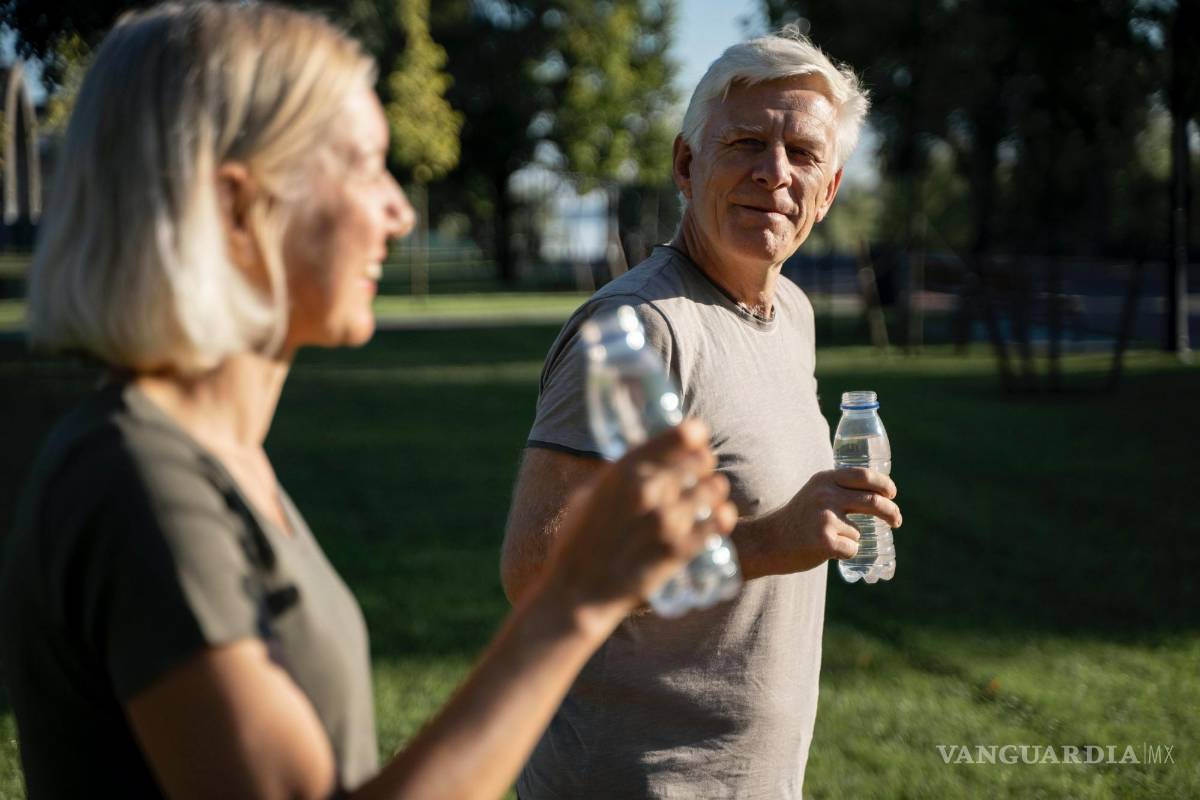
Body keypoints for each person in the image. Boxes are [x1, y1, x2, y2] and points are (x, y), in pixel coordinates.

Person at [0, 4, 738, 799]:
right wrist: (574, 601)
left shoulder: (214, 458)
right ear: (239, 208)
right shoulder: (136, 482)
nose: (399, 210)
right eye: (362, 166)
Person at [501, 28, 904, 799]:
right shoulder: (639, 331)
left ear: (832, 189)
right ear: (687, 166)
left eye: (804, 155)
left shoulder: (788, 311)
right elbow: (537, 570)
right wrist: (769, 540)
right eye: (747, 142)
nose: (774, 174)